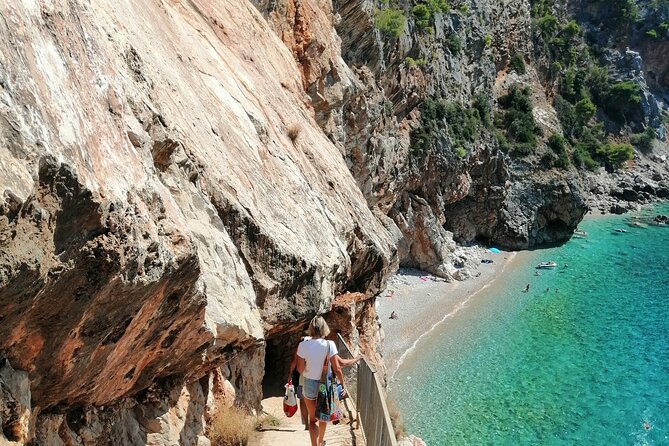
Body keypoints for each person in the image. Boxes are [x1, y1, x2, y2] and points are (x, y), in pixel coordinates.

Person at [296, 316, 347, 446]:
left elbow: (300, 369)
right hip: (325, 385)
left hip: (309, 383)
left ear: (310, 329)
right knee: (323, 417)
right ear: (324, 328)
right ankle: (320, 442)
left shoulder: (303, 345)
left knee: (312, 420)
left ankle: (314, 445)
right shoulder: (330, 345)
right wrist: (343, 384)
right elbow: (337, 368)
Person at [288, 336, 311, 430]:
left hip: (302, 377)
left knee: (303, 401)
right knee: (313, 400)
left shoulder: (300, 349)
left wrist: (290, 375)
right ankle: (312, 422)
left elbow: (294, 363)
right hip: (315, 377)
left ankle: (306, 424)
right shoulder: (316, 348)